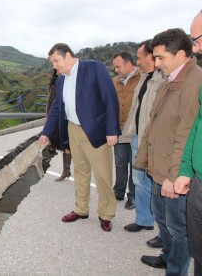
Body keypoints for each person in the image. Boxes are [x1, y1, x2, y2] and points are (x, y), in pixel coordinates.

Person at [135, 28, 202, 275]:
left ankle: (176, 270)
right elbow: (157, 122)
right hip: (158, 166)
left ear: (181, 54)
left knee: (178, 229)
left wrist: (173, 175)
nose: (156, 63)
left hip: (172, 173)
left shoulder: (195, 82)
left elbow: (186, 135)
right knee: (163, 221)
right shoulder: (172, 78)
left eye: (161, 57)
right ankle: (167, 257)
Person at [39, 43, 120, 232]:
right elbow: (57, 107)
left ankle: (106, 214)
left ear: (68, 55)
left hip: (95, 130)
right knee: (80, 172)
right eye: (53, 63)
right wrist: (46, 132)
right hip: (73, 129)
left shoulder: (94, 68)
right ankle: (81, 209)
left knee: (102, 174)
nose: (55, 66)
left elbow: (110, 99)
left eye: (56, 61)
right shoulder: (60, 80)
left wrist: (112, 130)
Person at [174, 0, 202, 276]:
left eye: (198, 39)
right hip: (201, 189)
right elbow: (198, 127)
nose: (194, 47)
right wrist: (185, 170)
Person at [121, 40, 165, 249]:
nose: (137, 62)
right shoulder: (144, 78)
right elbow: (136, 109)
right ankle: (144, 220)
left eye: (139, 57)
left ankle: (165, 233)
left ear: (152, 56)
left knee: (159, 184)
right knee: (139, 180)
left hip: (155, 139)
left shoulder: (164, 79)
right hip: (139, 135)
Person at [112, 52, 141, 210]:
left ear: (129, 63)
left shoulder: (142, 79)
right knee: (120, 163)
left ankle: (133, 196)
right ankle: (118, 191)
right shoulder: (115, 82)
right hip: (119, 129)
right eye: (114, 67)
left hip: (136, 129)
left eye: (118, 66)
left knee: (135, 165)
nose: (116, 70)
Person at [45, 69, 72, 182]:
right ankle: (66, 170)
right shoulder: (54, 83)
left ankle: (67, 170)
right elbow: (51, 102)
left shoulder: (69, 81)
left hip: (65, 116)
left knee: (67, 144)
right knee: (62, 143)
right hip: (55, 115)